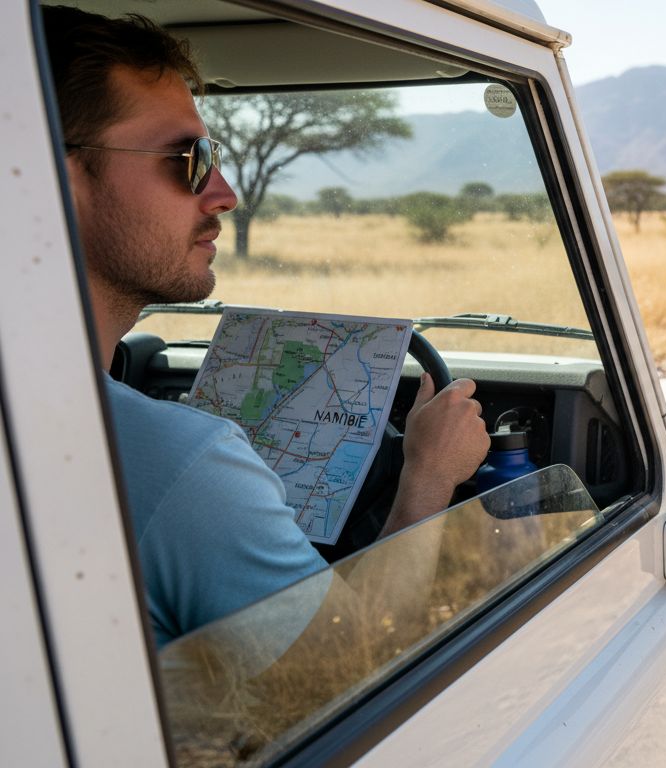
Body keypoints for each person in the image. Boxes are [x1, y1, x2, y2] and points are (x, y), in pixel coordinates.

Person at [44, 6, 491, 646]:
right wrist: (428, 476)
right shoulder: (183, 465)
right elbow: (345, 673)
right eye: (185, 157)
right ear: (54, 184)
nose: (223, 192)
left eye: (213, 155)